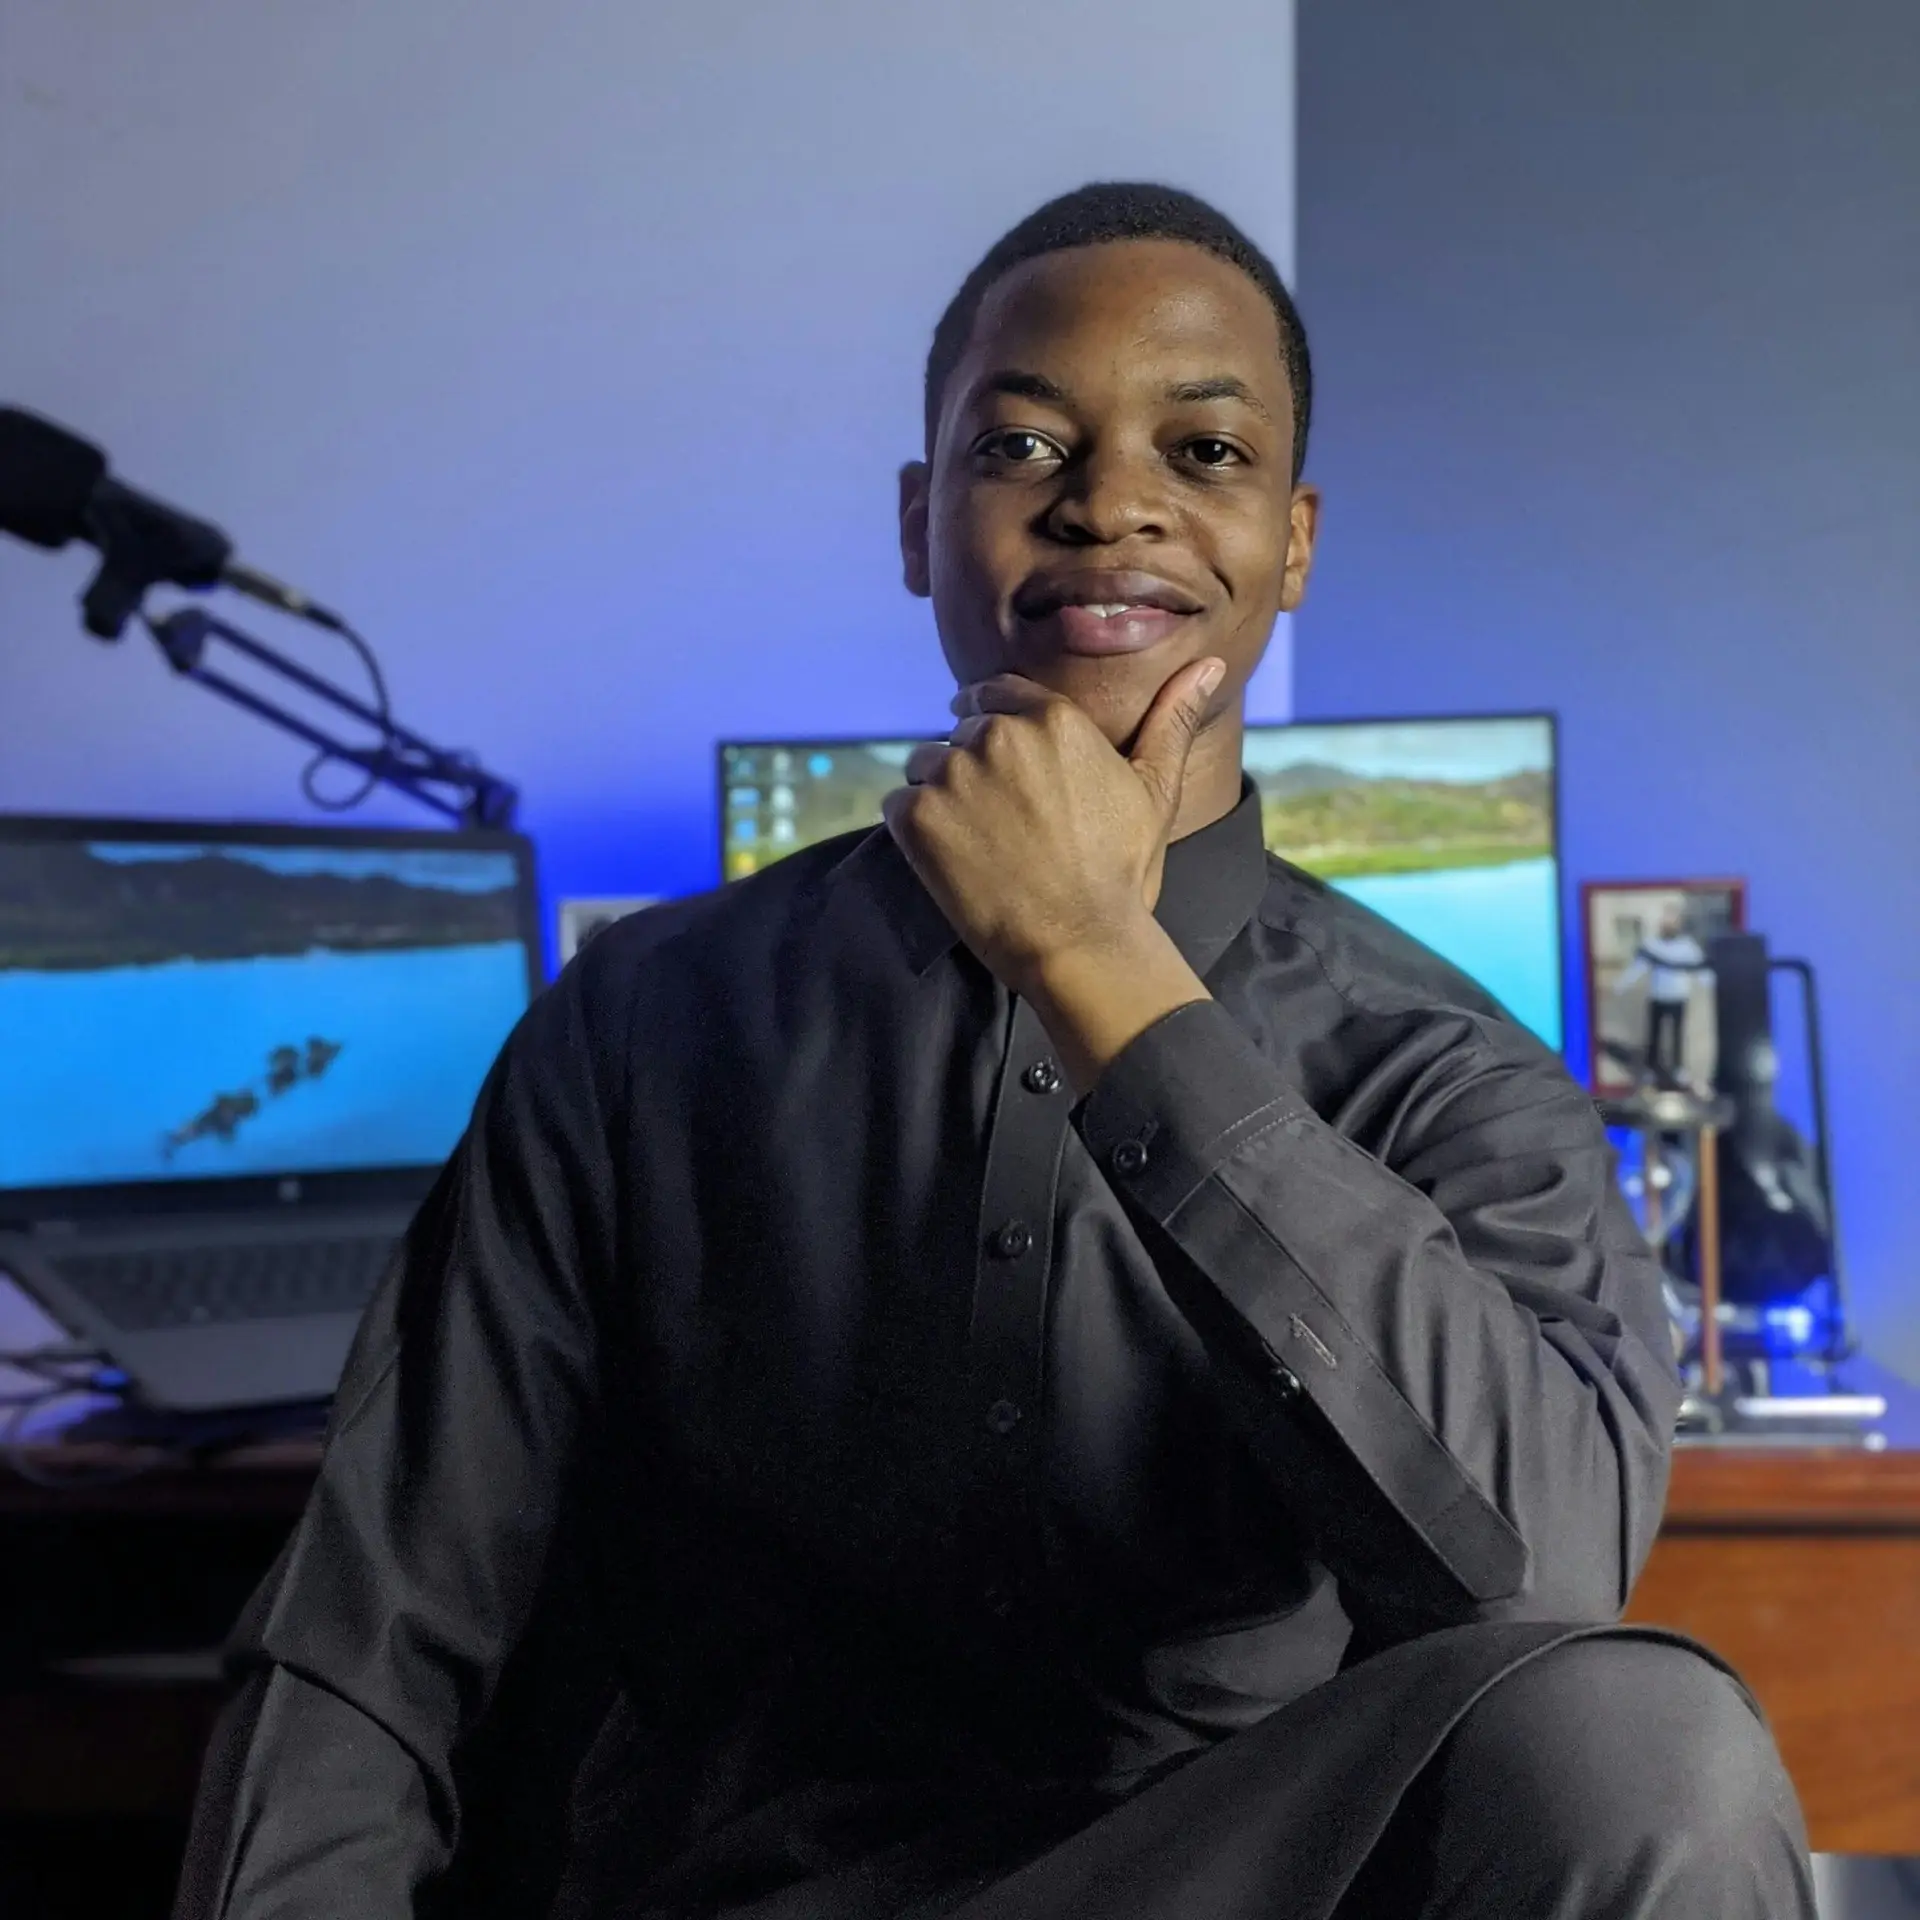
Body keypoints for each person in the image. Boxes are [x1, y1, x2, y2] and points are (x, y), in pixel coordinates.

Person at [174, 183, 1814, 1919]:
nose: (1110, 504)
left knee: (1646, 1743)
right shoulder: (644, 1024)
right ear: (919, 522)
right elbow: (364, 1644)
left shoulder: (1448, 1072)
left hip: (1223, 1884)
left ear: (1294, 544)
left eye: (1203, 451)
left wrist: (1101, 969)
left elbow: (1541, 1579)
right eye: (1022, 447)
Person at [1616, 904, 1710, 1088]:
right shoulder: (1652, 945)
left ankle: (1678, 1069)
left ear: (1678, 924)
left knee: (1677, 1035)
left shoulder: (1687, 946)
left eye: (1673, 922)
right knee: (1654, 1036)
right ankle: (1651, 1070)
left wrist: (1712, 982)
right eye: (1666, 923)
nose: (1669, 926)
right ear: (1661, 925)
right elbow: (1638, 968)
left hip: (1678, 997)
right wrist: (1621, 985)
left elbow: (1700, 968)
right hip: (1658, 997)